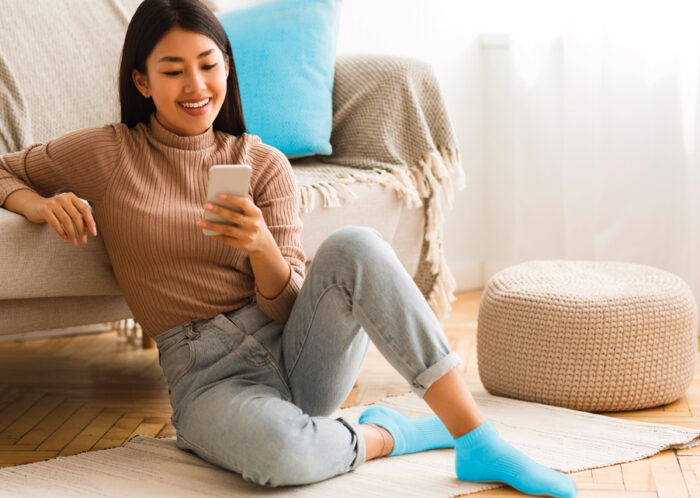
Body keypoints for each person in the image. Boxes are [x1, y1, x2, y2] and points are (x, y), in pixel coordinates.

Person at [0, 1, 576, 496]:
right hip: (205, 376)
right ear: (142, 81)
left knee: (356, 245)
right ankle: (387, 432)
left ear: (227, 67)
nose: (197, 87)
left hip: (297, 350)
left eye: (209, 65)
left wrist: (260, 248)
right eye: (174, 71)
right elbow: (5, 169)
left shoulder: (261, 163)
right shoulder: (108, 155)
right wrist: (36, 203)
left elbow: (285, 304)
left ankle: (477, 439)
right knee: (283, 458)